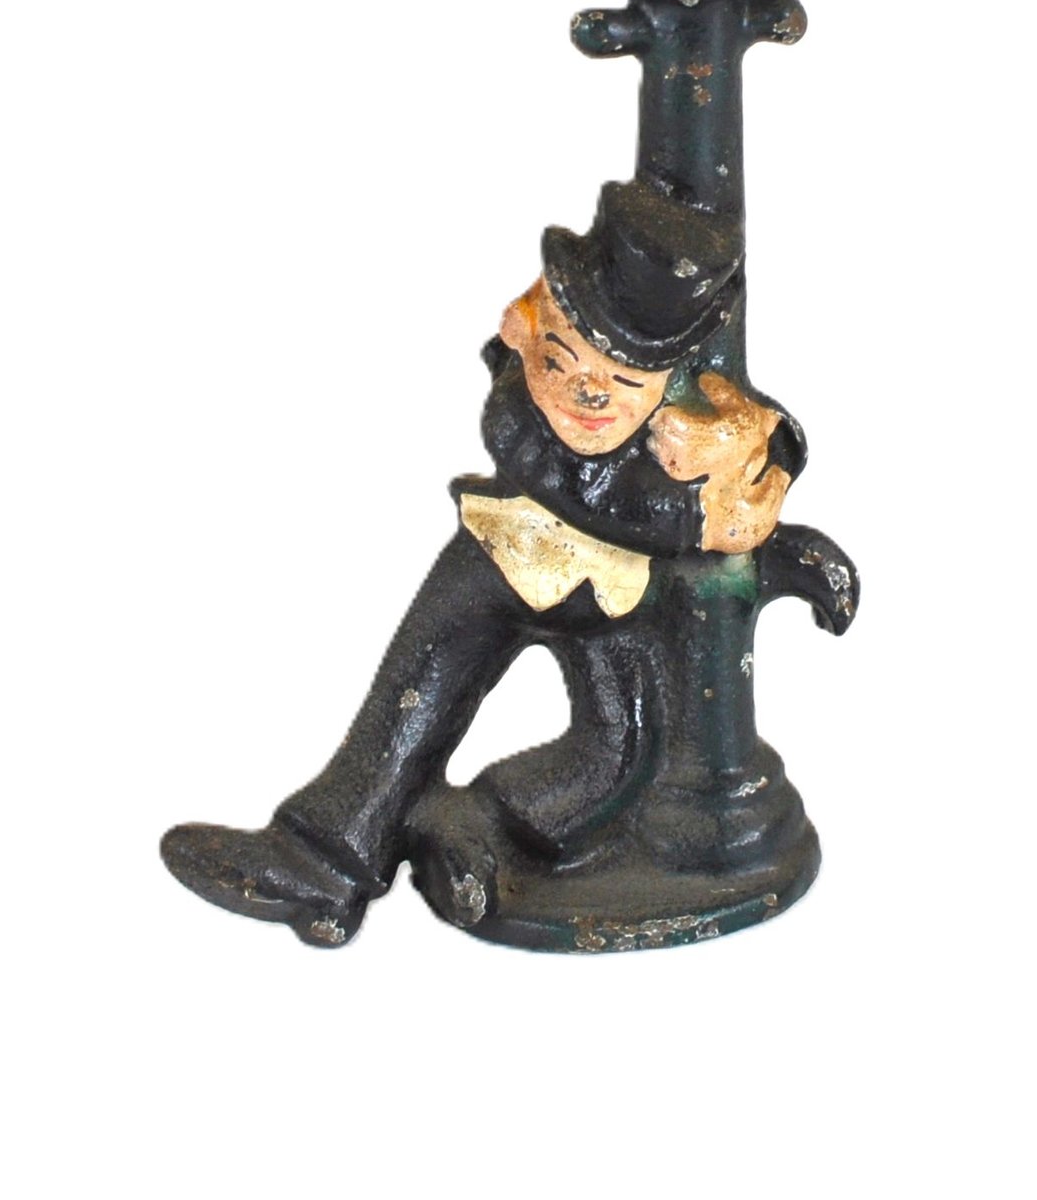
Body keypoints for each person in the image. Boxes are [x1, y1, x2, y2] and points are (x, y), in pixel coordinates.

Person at [160, 181, 802, 946]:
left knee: (617, 759)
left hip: (621, 597)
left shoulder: (678, 437)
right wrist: (694, 521)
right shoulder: (520, 414)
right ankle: (326, 857)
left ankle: (468, 823)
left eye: (624, 383)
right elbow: (564, 477)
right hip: (508, 555)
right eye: (559, 361)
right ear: (528, 334)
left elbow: (759, 457)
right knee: (417, 690)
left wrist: (732, 474)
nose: (587, 394)